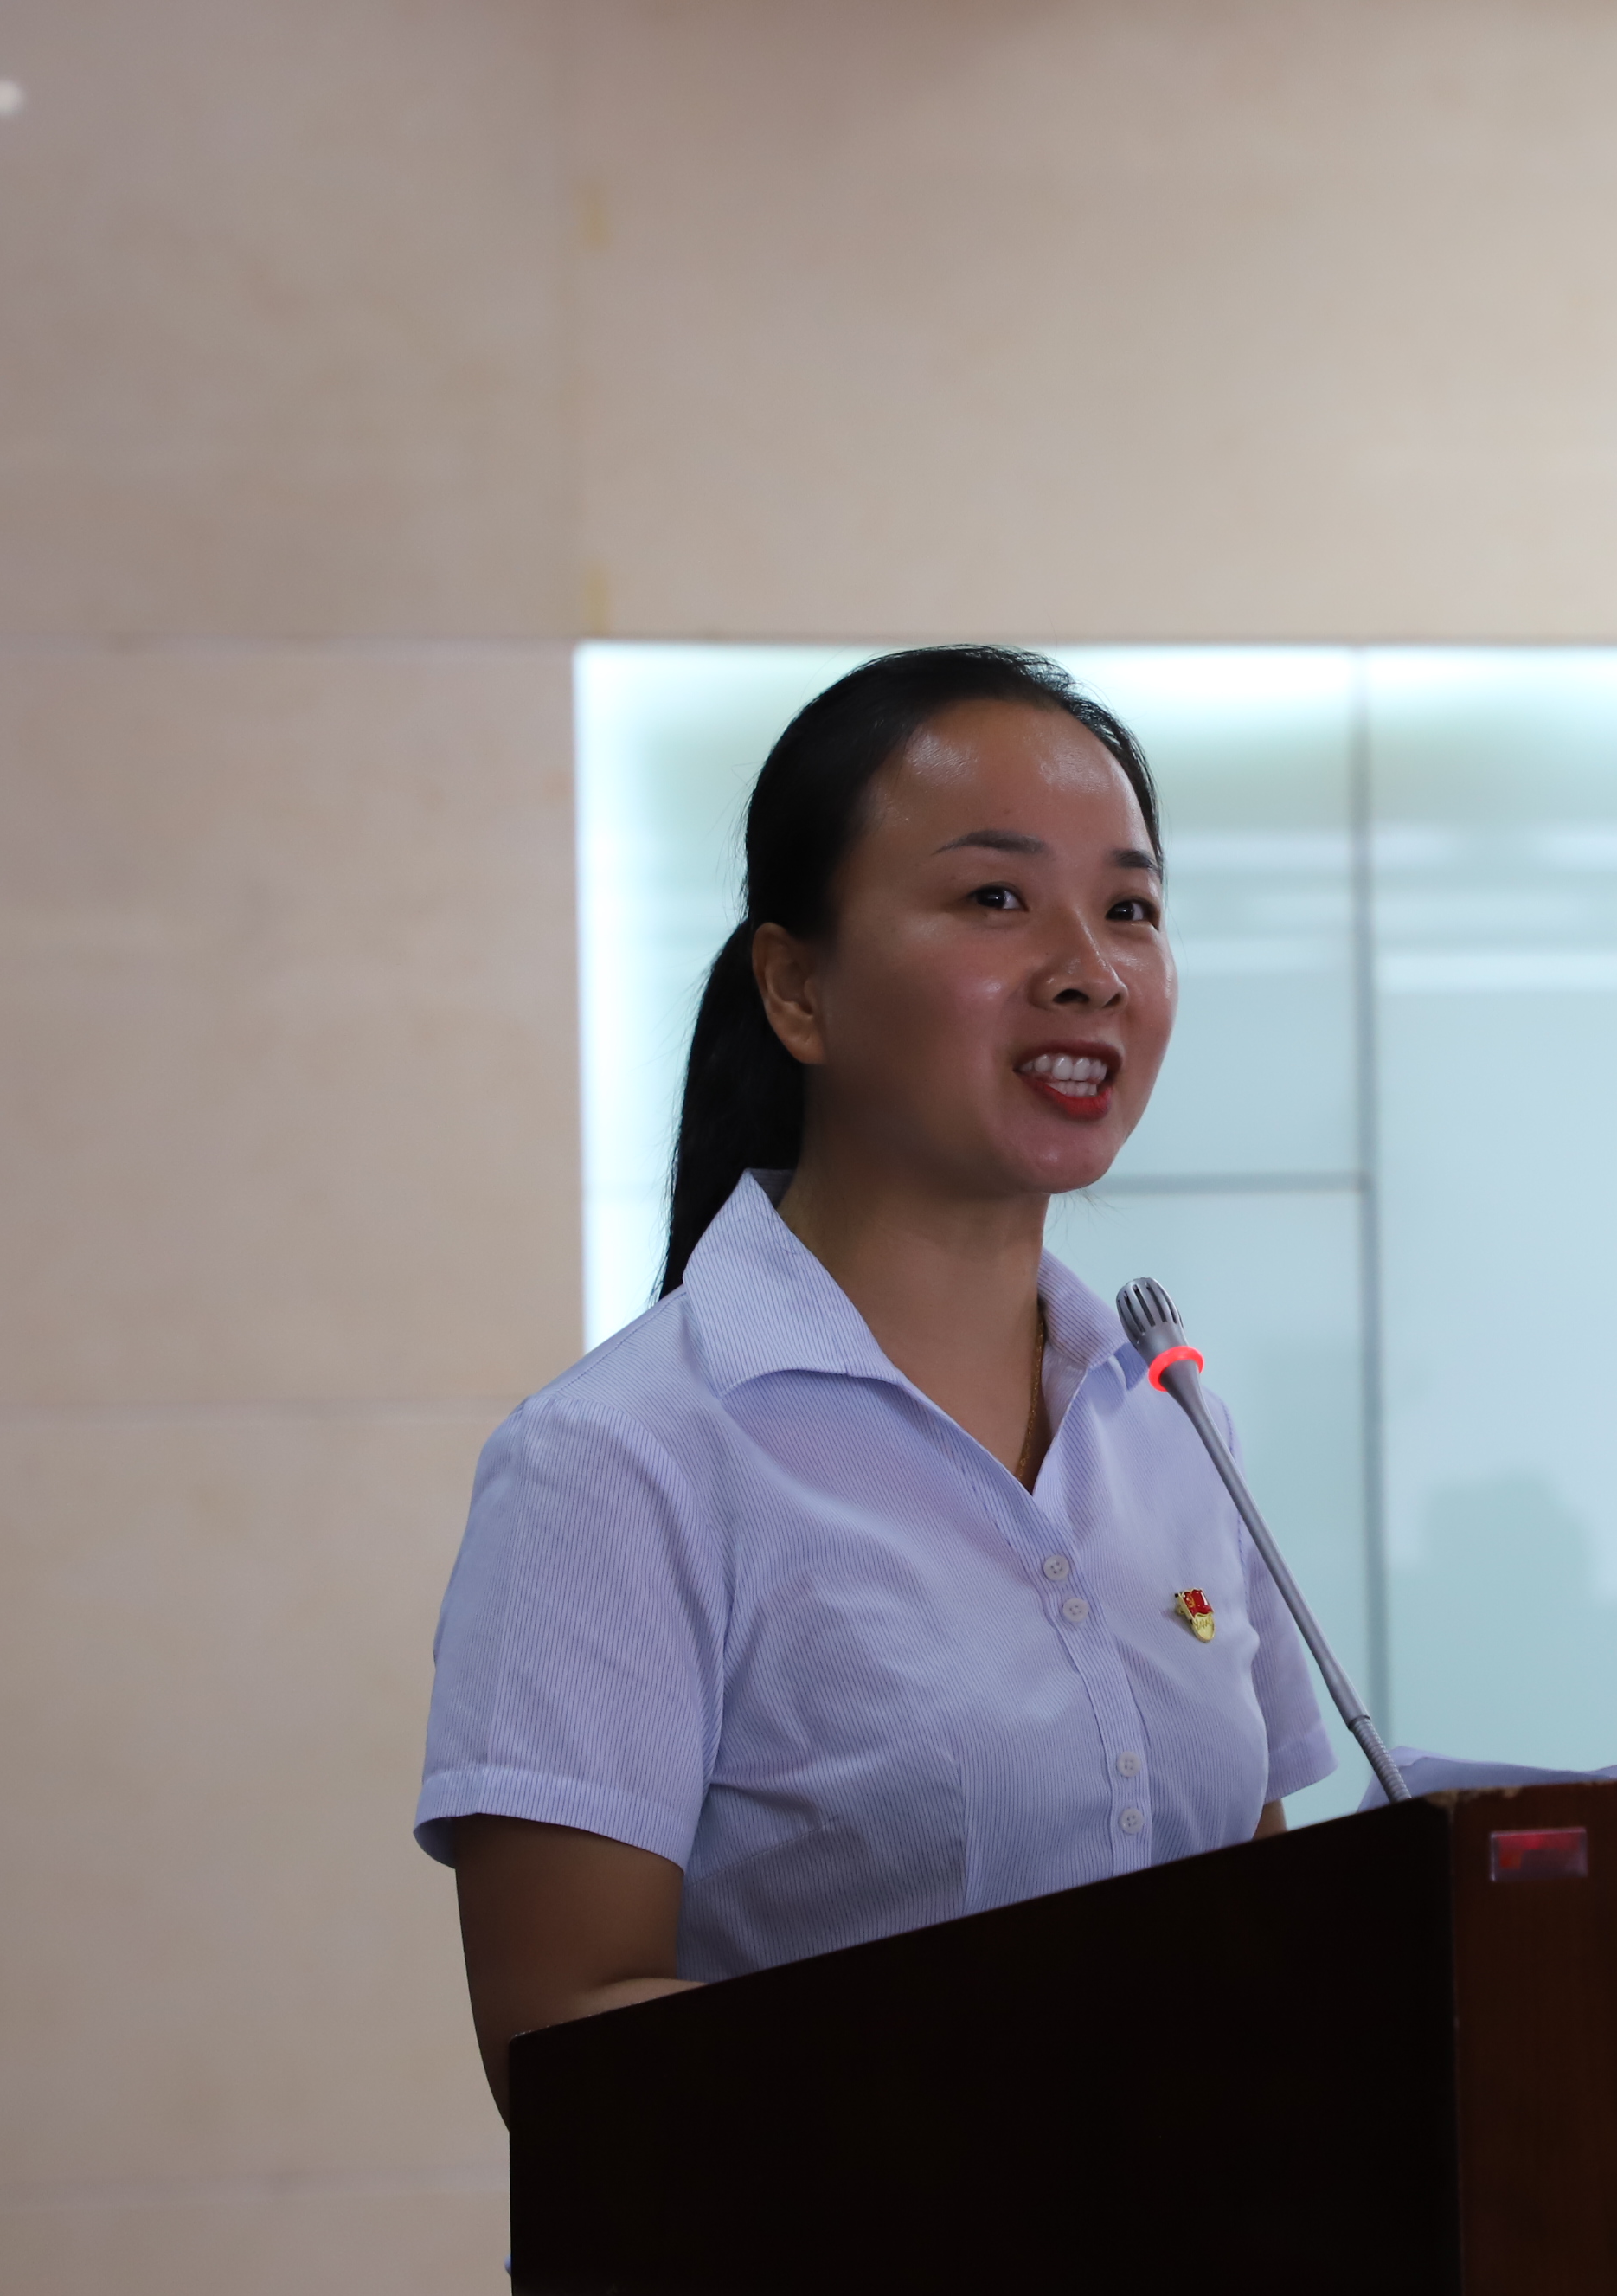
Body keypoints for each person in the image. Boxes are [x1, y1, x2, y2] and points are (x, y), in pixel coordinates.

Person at [419, 646, 1335, 2121]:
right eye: (996, 898)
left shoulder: (1170, 1422)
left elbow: (1267, 1915)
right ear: (798, 988)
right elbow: (568, 2051)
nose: (1090, 969)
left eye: (1131, 908)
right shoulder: (620, 1460)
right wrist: (1050, 2083)